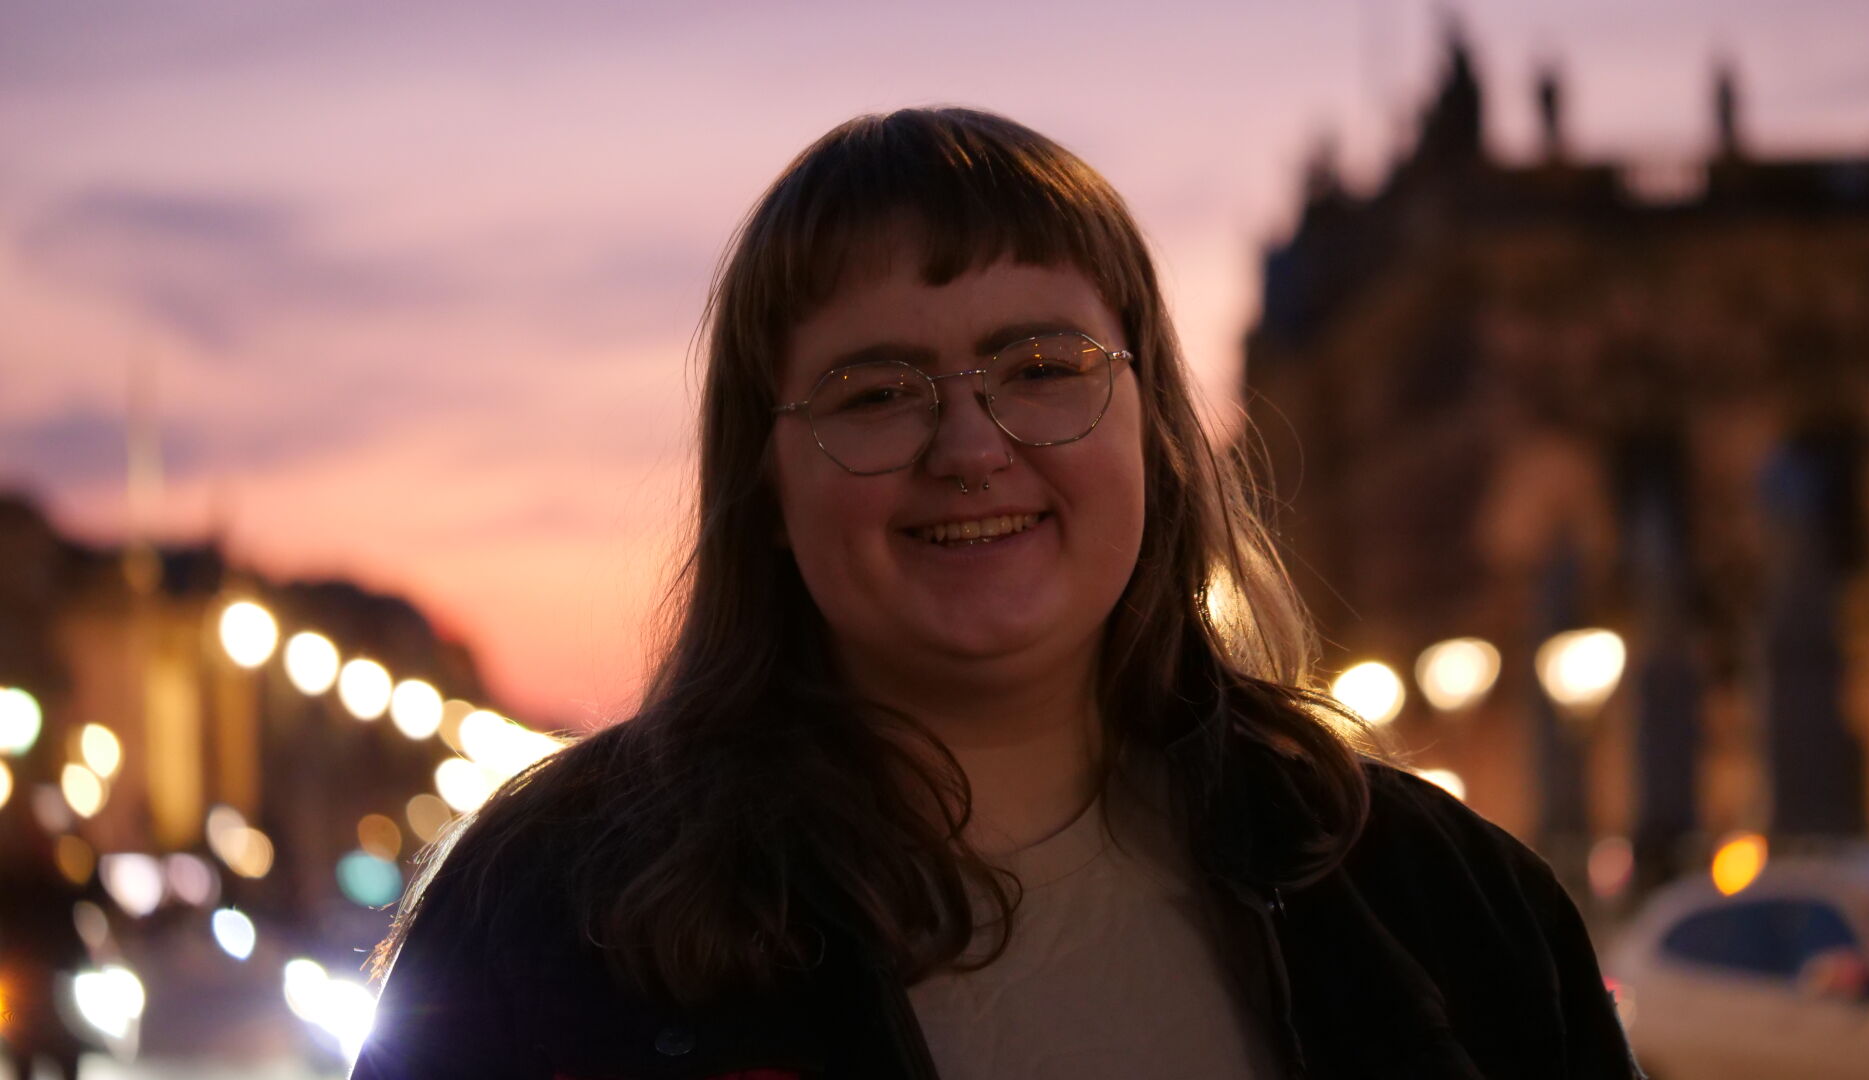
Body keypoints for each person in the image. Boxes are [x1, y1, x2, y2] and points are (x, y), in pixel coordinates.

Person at [352, 107, 1645, 1080]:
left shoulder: (1443, 906)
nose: (969, 447)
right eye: (876, 392)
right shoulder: (548, 919)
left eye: (1039, 368)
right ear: (767, 481)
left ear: (1148, 427)